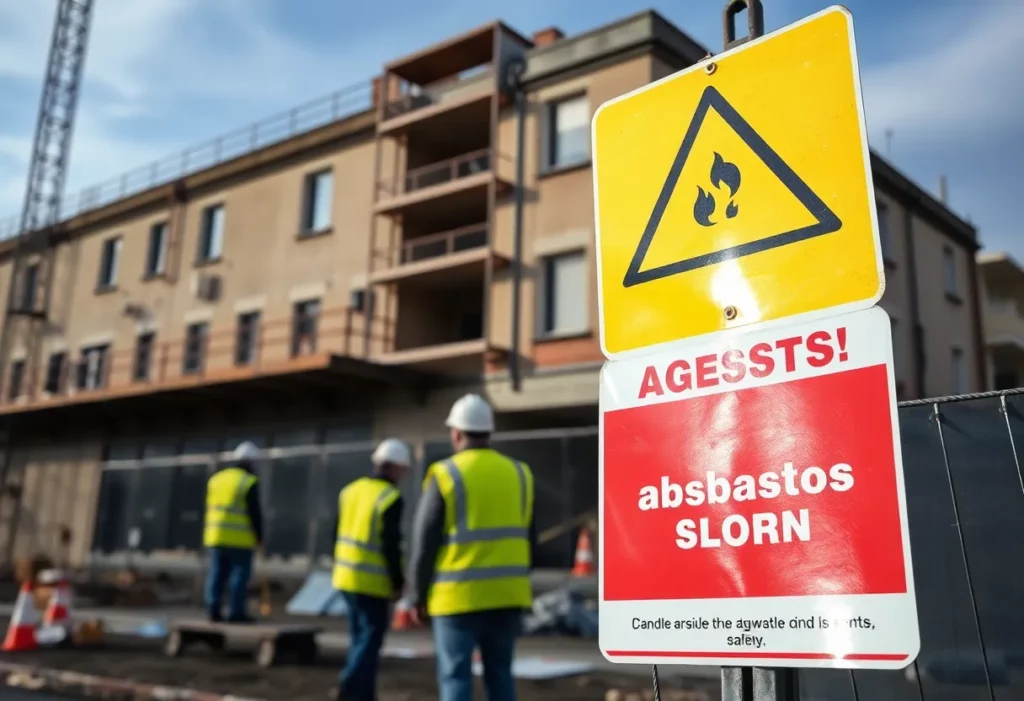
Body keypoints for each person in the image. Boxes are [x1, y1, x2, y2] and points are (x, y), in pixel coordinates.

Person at [407, 394, 537, 701]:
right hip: (507, 596)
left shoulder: (446, 474)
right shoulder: (520, 473)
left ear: (456, 433)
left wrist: (417, 595)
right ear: (489, 432)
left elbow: (424, 542)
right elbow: (529, 536)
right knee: (500, 676)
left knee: (455, 678)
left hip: (457, 599)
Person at [331, 438, 412, 701]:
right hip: (372, 581)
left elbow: (335, 532)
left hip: (345, 576)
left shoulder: (349, 491)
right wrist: (398, 581)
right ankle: (348, 685)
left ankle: (364, 695)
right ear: (396, 468)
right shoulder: (390, 498)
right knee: (370, 641)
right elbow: (391, 545)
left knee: (358, 638)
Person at [203, 441, 263, 623]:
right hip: (239, 538)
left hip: (215, 536)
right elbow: (255, 513)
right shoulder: (248, 482)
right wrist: (260, 537)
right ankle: (236, 613)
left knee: (217, 574)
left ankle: (213, 609)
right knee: (239, 575)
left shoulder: (216, 479)